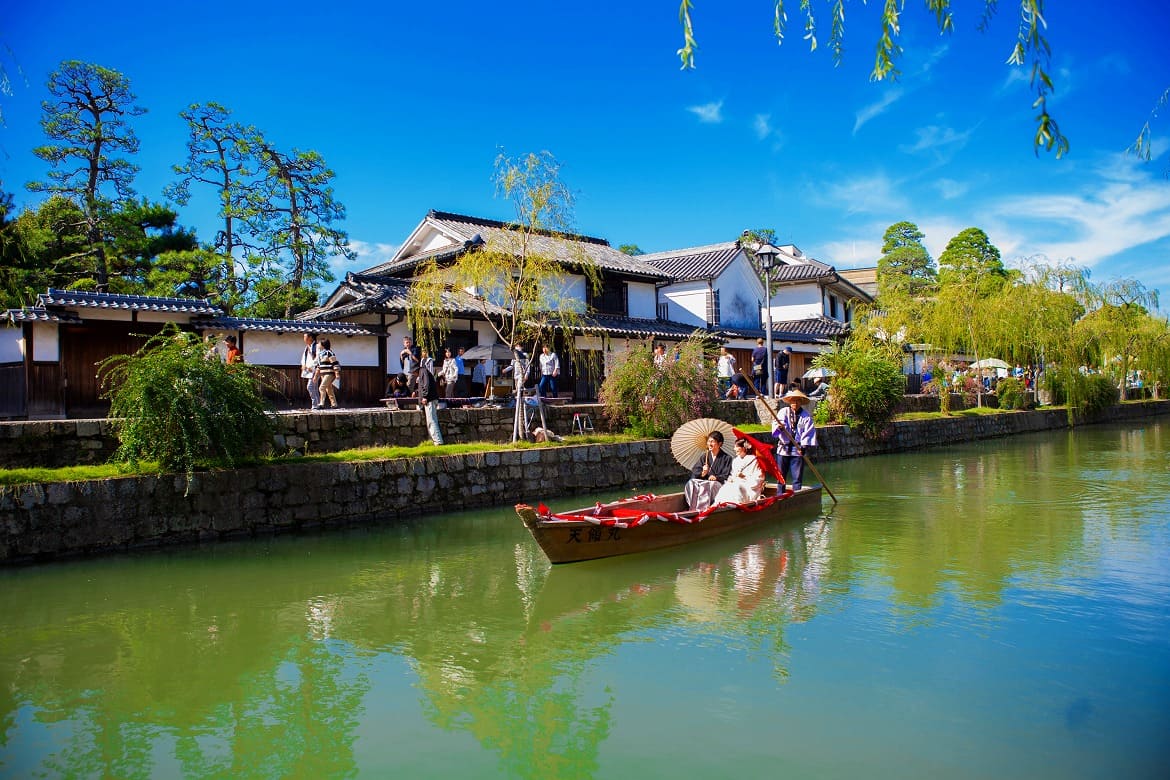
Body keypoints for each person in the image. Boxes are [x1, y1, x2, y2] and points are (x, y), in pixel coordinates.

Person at [772, 388, 817, 491]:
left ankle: (796, 495)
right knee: (781, 476)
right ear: (790, 402)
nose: (795, 403)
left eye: (797, 401)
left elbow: (808, 432)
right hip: (783, 449)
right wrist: (780, 427)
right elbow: (777, 423)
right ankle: (780, 495)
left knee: (797, 478)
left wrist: (803, 446)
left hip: (797, 449)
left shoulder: (806, 416)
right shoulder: (783, 412)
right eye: (793, 401)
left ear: (801, 402)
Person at [684, 430, 733, 511]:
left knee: (711, 485)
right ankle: (693, 506)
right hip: (705, 482)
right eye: (708, 441)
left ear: (720, 444)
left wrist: (716, 477)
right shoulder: (704, 456)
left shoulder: (727, 458)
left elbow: (727, 475)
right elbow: (695, 471)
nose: (709, 444)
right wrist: (703, 473)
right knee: (691, 482)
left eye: (712, 441)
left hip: (718, 484)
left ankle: (704, 508)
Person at [713, 438, 765, 505]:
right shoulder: (735, 461)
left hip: (749, 488)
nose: (734, 449)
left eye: (736, 447)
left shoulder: (754, 460)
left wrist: (744, 476)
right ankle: (720, 505)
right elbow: (732, 475)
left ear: (743, 448)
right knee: (725, 487)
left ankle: (734, 505)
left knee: (737, 487)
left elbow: (759, 478)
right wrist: (731, 479)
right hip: (736, 483)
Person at [416, 359, 444, 445]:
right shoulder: (425, 371)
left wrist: (424, 397)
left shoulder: (422, 371)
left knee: (432, 421)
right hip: (432, 399)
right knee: (431, 420)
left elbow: (426, 385)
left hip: (429, 400)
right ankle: (433, 441)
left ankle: (438, 442)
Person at [316, 338, 341, 408]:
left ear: (322, 345)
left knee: (321, 388)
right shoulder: (320, 354)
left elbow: (335, 363)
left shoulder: (329, 353)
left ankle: (321, 404)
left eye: (319, 343)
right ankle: (334, 404)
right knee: (328, 389)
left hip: (329, 374)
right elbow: (319, 366)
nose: (317, 345)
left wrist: (337, 373)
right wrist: (316, 376)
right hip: (323, 374)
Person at [301, 333, 321, 410]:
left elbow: (318, 358)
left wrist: (311, 366)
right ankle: (318, 404)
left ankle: (315, 405)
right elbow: (304, 357)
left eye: (305, 337)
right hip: (308, 370)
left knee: (310, 386)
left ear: (310, 338)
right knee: (314, 387)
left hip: (316, 369)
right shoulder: (307, 348)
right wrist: (303, 365)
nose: (304, 338)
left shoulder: (317, 346)